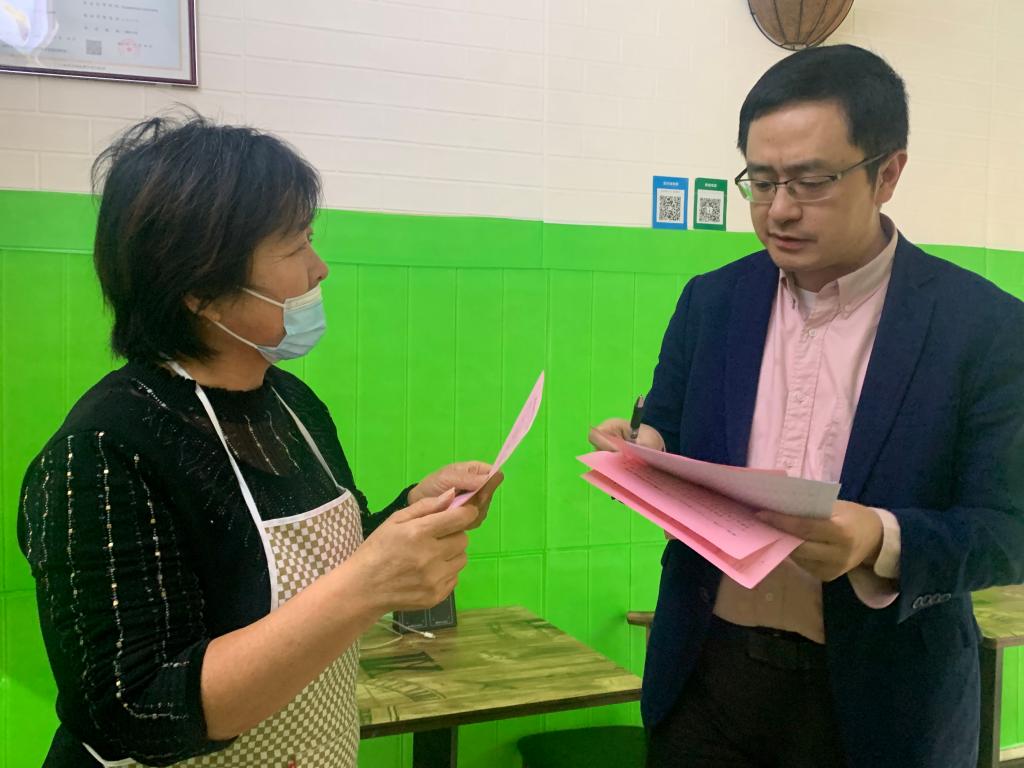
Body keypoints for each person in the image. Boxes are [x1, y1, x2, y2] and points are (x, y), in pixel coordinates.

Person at [17, 115, 502, 767]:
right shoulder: (102, 453)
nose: (320, 269)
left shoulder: (292, 406)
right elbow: (132, 713)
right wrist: (367, 585)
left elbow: (320, 566)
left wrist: (412, 512)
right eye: (295, 247)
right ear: (202, 291)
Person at [591, 44, 1024, 768]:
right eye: (761, 182)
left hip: (884, 705)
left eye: (811, 181)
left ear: (888, 173)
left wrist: (879, 539)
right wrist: (644, 457)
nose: (780, 210)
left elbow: (1010, 527)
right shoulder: (711, 301)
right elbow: (666, 427)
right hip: (706, 681)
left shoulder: (984, 327)